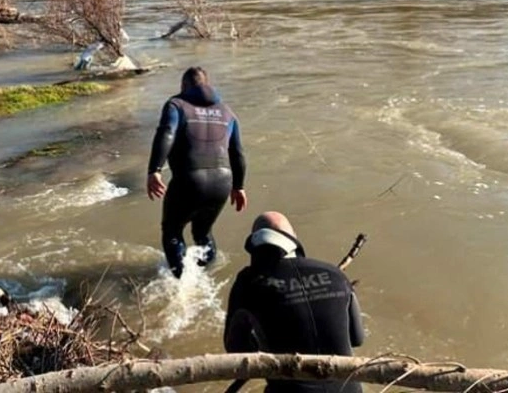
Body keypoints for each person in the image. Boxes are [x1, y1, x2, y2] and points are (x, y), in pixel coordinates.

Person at [224, 211, 365, 393]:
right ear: (294, 240)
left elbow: (236, 350)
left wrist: (262, 338)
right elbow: (357, 339)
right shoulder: (334, 274)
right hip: (350, 389)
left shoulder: (248, 282)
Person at [147, 67, 247, 279]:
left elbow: (167, 132)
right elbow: (237, 152)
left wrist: (154, 170)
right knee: (203, 232)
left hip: (189, 179)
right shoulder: (227, 112)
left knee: (173, 231)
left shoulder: (177, 105)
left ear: (184, 86)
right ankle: (205, 277)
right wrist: (239, 187)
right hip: (222, 181)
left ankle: (180, 282)